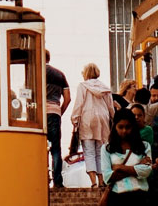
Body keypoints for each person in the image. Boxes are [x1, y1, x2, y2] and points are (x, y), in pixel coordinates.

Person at [69, 63, 115, 187]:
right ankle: (102, 181)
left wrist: (74, 118)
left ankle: (93, 182)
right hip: (103, 119)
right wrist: (113, 118)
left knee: (89, 151)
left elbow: (79, 103)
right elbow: (111, 107)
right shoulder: (105, 88)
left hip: (87, 119)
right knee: (100, 152)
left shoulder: (83, 86)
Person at [44, 52, 71, 187]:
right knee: (56, 148)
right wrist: (60, 111)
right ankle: (57, 181)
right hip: (54, 112)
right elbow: (68, 98)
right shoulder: (60, 74)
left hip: (40, 114)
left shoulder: (36, 71)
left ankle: (42, 177)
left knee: (40, 147)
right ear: (49, 58)